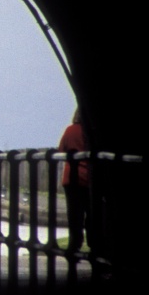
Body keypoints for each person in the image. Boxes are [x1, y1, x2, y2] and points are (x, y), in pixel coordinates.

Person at [58, 108, 90, 252]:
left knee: (74, 213)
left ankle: (74, 243)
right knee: (90, 212)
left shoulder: (70, 131)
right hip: (88, 178)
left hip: (70, 178)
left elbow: (61, 149)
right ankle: (93, 243)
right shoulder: (89, 132)